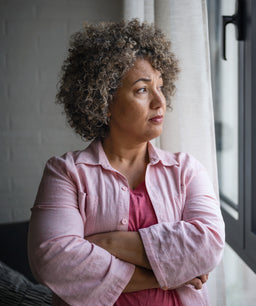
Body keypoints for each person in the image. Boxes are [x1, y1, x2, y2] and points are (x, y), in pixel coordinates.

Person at [27, 20, 225, 306]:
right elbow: (53, 260)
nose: (160, 101)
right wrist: (170, 273)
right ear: (103, 102)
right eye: (143, 90)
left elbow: (209, 246)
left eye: (161, 86)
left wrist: (105, 243)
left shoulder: (186, 171)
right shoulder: (66, 173)